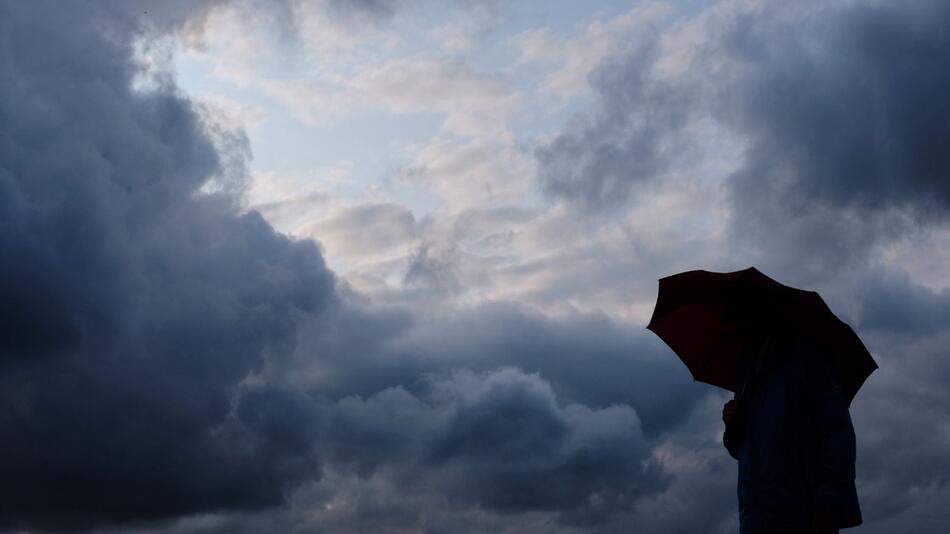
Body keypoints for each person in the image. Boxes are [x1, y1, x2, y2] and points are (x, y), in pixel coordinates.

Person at [722, 328, 863, 534]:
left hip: (803, 519)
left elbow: (837, 435)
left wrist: (827, 507)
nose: (731, 321)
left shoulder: (808, 360)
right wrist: (733, 425)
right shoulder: (748, 372)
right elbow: (742, 449)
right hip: (755, 522)